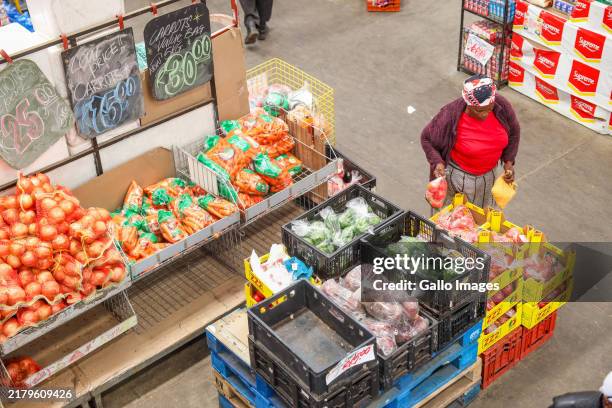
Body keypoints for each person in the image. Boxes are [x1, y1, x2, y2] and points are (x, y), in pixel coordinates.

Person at [420, 75, 520, 208]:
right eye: (479, 110)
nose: (485, 114)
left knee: (478, 221)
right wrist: (437, 162)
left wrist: (508, 163)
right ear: (468, 103)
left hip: (487, 177)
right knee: (452, 220)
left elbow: (514, 132)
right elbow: (426, 138)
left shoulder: (501, 105)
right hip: (456, 177)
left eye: (489, 109)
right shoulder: (450, 114)